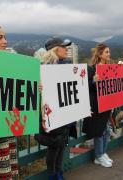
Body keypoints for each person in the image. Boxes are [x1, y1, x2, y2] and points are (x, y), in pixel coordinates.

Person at [35, 37, 73, 180]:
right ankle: (53, 175)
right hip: (50, 114)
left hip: (63, 113)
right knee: (54, 146)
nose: (67, 49)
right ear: (55, 49)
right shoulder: (42, 67)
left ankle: (58, 172)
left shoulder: (66, 66)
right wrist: (38, 87)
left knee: (61, 145)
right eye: (64, 47)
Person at [82, 43, 113, 168]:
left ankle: (103, 152)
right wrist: (94, 81)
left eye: (109, 52)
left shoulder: (109, 68)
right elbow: (86, 86)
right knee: (99, 131)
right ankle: (98, 156)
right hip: (96, 105)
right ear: (100, 54)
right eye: (106, 52)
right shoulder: (91, 69)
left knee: (106, 130)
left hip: (106, 104)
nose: (109, 54)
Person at [0, 26, 19, 179]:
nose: (5, 41)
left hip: (8, 128)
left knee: (10, 170)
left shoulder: (9, 63)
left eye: (4, 37)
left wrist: (34, 85)